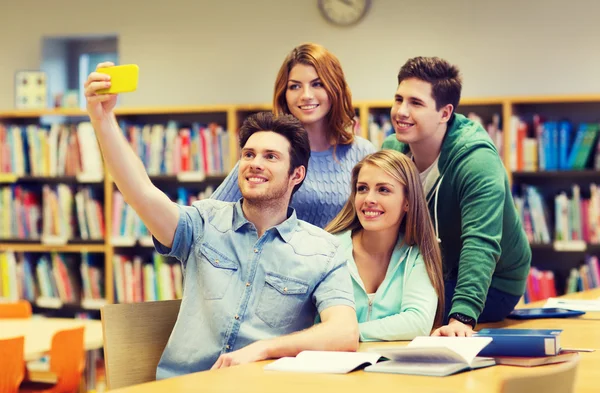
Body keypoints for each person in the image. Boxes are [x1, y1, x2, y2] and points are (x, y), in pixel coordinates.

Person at [84, 64, 359, 378]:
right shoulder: (203, 223)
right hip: (186, 385)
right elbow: (141, 193)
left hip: (260, 385)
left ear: (297, 175)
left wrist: (264, 349)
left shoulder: (324, 250)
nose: (255, 164)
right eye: (249, 154)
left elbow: (344, 333)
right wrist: (102, 118)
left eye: (270, 156)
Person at [381, 56, 531, 336]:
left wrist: (461, 318)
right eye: (398, 99)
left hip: (494, 284)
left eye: (415, 103)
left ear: (445, 113)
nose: (400, 111)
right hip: (430, 272)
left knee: (395, 309)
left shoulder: (476, 161)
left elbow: (481, 241)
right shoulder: (393, 150)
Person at [211, 43, 376, 228]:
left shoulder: (363, 152)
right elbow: (210, 217)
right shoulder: (268, 151)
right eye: (295, 86)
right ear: (284, 95)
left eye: (317, 84)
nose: (306, 95)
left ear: (335, 88)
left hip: (346, 257)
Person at [325, 150, 444, 341]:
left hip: (390, 367)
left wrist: (349, 333)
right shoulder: (329, 249)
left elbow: (418, 322)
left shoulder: (418, 254)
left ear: (407, 201)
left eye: (383, 190)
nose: (369, 199)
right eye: (362, 188)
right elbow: (316, 323)